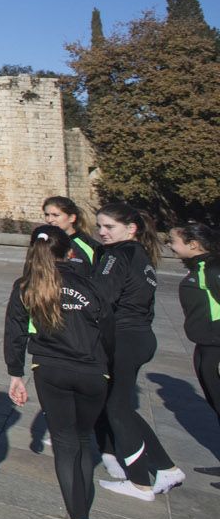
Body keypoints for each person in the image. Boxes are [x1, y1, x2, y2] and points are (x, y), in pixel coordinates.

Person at [4, 225, 112, 519]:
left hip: (50, 369)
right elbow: (108, 329)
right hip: (93, 370)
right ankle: (81, 511)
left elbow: (15, 333)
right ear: (70, 252)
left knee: (65, 444)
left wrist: (15, 375)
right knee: (82, 440)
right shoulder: (92, 284)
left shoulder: (26, 286)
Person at [93, 202, 183, 498]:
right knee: (120, 406)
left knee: (117, 408)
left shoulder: (118, 255)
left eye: (109, 227)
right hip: (140, 336)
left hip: (124, 338)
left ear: (130, 228)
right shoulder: (140, 254)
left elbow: (101, 298)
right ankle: (166, 468)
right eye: (100, 226)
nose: (102, 232)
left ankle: (140, 482)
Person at [172, 224, 220, 432]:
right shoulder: (198, 268)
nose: (170, 245)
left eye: (173, 241)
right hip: (203, 345)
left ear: (193, 244)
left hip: (216, 347)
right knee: (215, 403)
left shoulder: (212, 269)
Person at [42, 196, 99, 265]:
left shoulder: (89, 247)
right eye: (47, 215)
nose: (49, 220)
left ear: (72, 218)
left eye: (55, 215)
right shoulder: (42, 242)